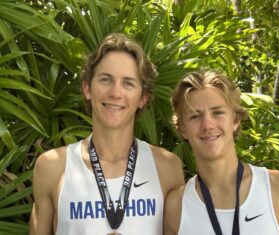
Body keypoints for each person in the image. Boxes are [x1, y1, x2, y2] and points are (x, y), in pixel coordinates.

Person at [29, 33, 184, 235]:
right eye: (105, 80)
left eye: (128, 83)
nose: (115, 93)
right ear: (87, 88)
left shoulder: (167, 167)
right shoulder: (52, 167)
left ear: (143, 98)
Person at [164, 70, 279, 235]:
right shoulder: (176, 206)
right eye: (195, 116)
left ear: (235, 119)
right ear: (182, 128)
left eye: (217, 112)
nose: (207, 125)